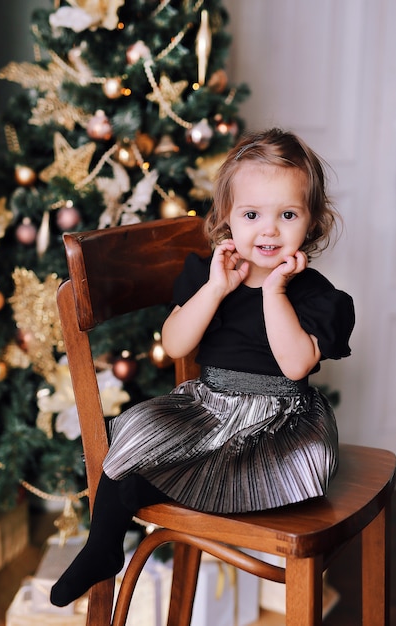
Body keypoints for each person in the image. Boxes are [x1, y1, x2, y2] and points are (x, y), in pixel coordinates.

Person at [51, 127, 355, 607]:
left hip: (279, 419)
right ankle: (103, 546)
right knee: (137, 427)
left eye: (288, 215)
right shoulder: (207, 276)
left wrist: (274, 292)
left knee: (314, 459)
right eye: (252, 214)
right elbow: (175, 345)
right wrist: (215, 290)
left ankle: (200, 486)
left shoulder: (316, 294)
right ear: (227, 219)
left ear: (312, 222)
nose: (269, 229)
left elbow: (295, 365)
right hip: (207, 407)